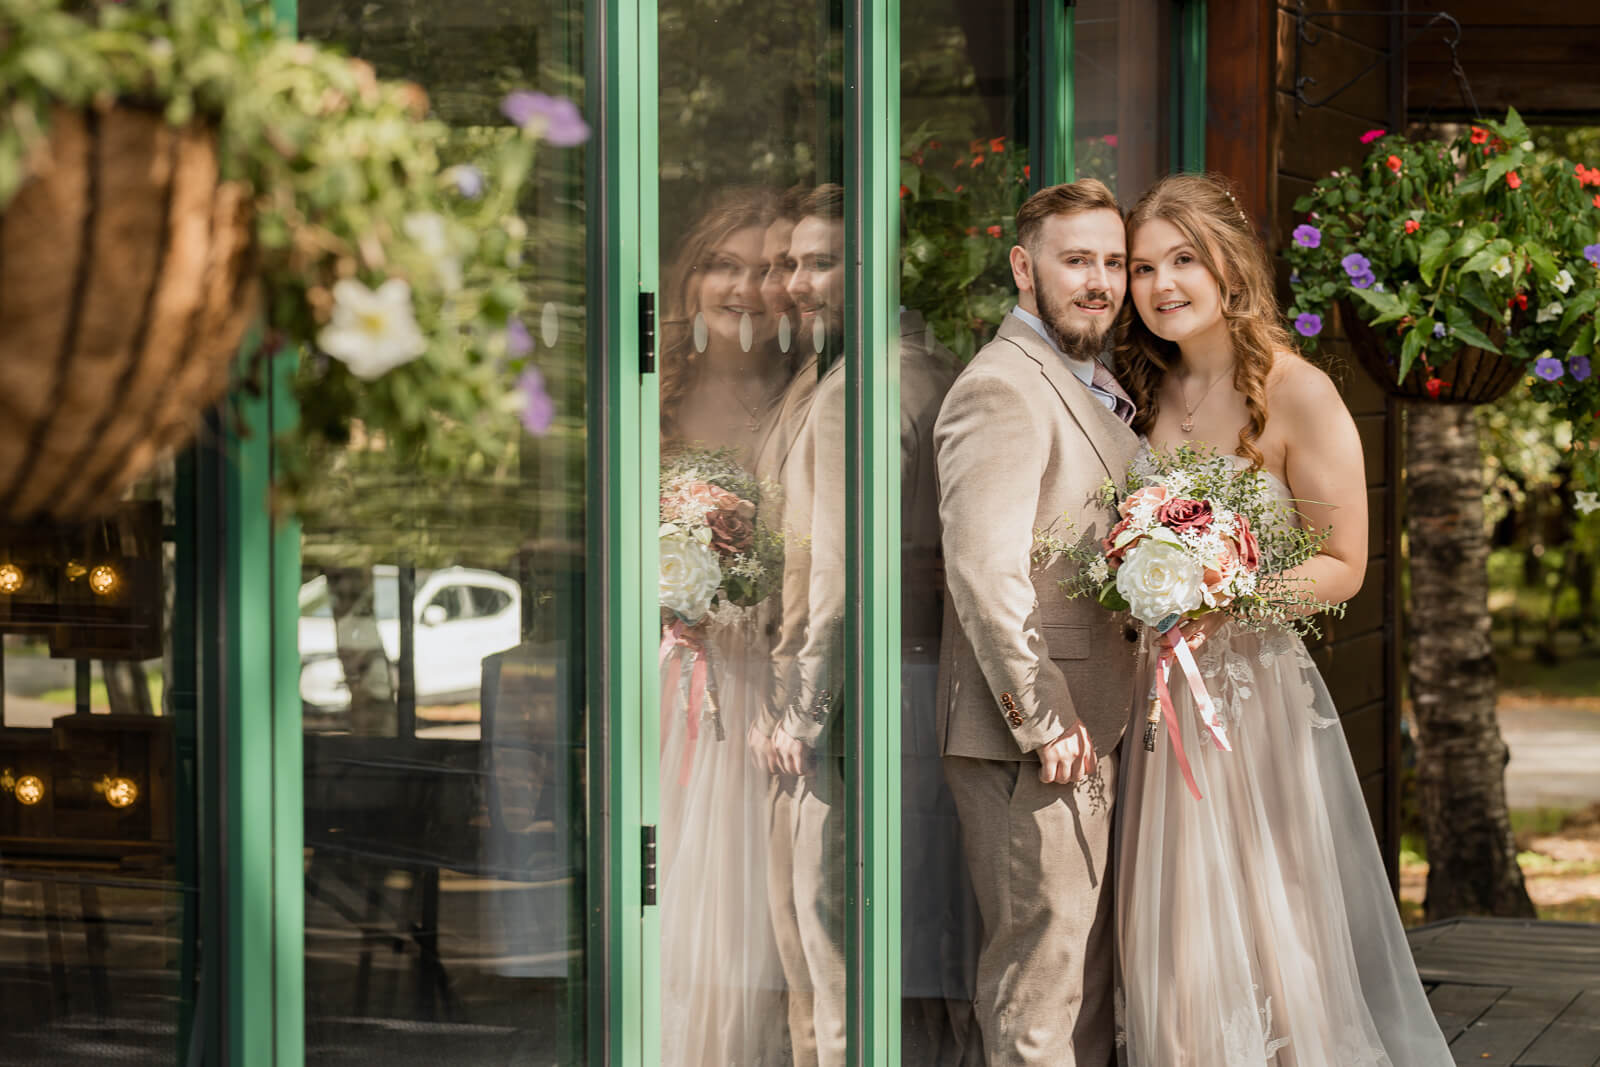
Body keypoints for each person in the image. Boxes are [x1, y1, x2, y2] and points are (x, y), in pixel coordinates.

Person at [1113, 172, 1454, 1066]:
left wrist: (1227, 594)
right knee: (1174, 934)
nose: (1162, 286)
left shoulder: (1299, 391)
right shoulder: (1131, 394)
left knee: (1269, 920)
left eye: (1183, 259)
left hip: (1249, 702)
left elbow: (1344, 566)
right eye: (1143, 268)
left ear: (1232, 265)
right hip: (1148, 705)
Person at [933, 178, 1141, 1066]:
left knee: (1077, 979)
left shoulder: (1083, 377)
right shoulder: (1003, 388)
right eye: (1076, 260)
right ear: (1025, 267)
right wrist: (1043, 710)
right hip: (1033, 741)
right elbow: (984, 565)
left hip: (1097, 721)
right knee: (1036, 989)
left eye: (1112, 263)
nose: (1099, 281)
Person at [656, 187, 795, 1067]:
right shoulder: (651, 403)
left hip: (762, 674)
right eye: (723, 266)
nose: (743, 288)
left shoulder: (803, 399)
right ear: (691, 278)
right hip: (671, 675)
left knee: (756, 897)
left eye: (765, 270)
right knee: (671, 879)